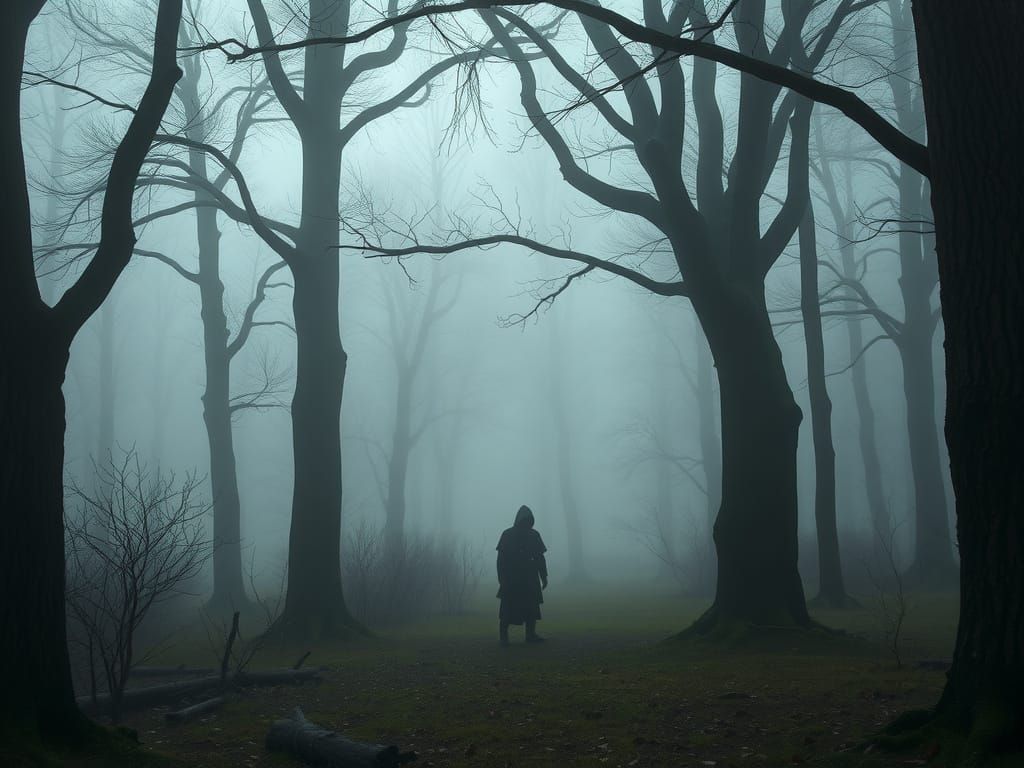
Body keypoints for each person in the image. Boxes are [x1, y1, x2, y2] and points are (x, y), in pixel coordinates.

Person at [496, 505, 548, 645]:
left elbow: (539, 558)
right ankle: (504, 637)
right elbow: (501, 560)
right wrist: (502, 579)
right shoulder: (507, 534)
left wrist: (544, 576)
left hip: (528, 579)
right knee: (507, 610)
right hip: (512, 580)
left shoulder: (533, 535)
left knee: (531, 609)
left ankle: (530, 635)